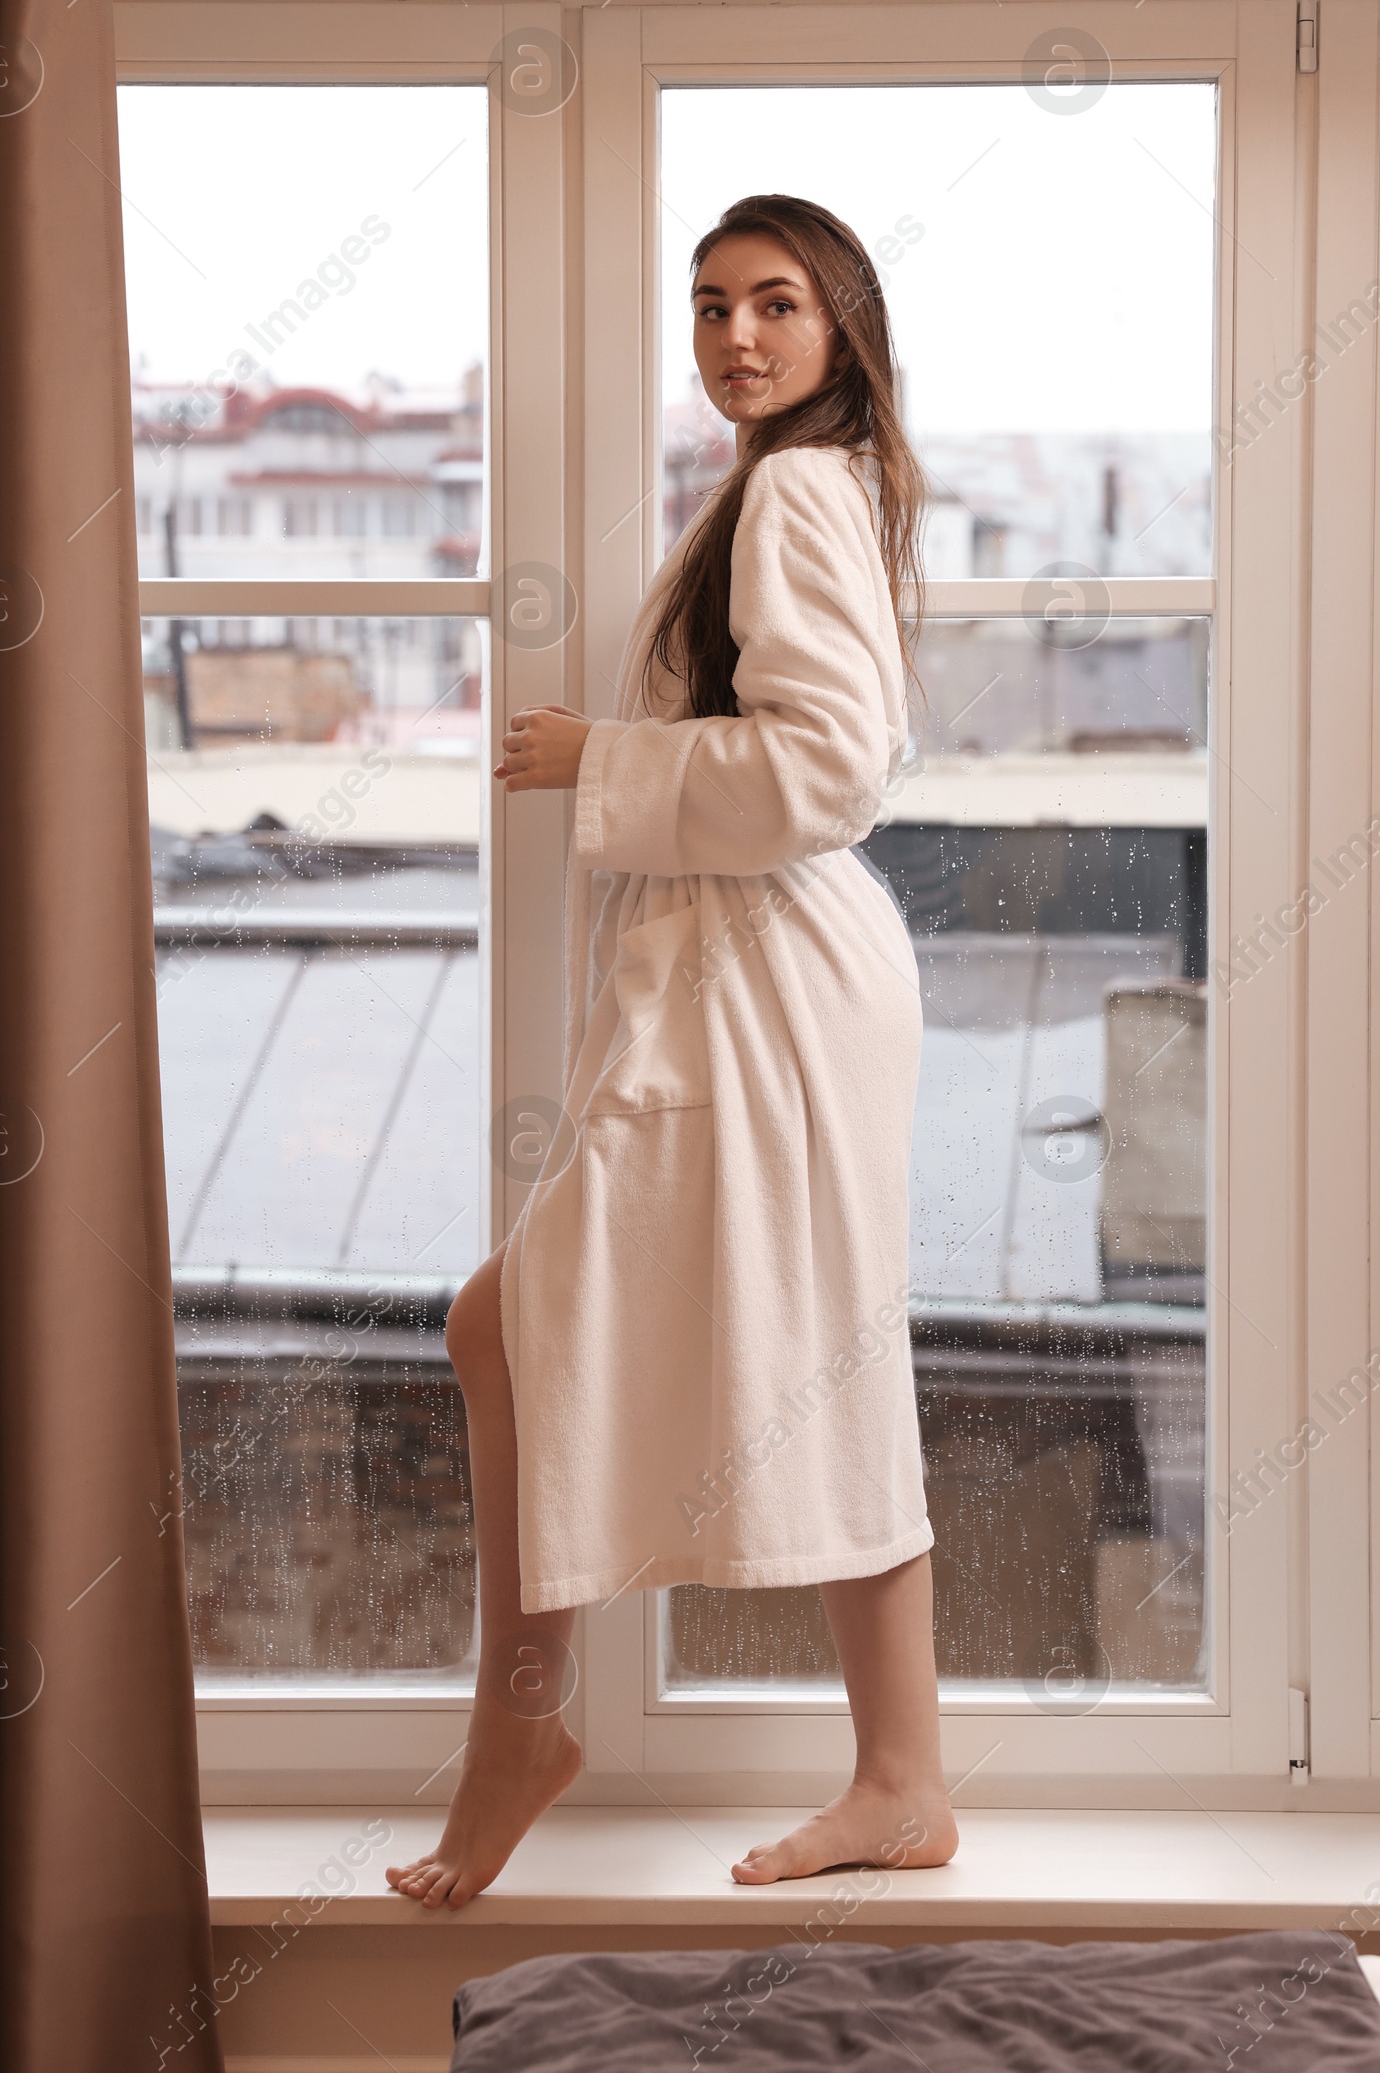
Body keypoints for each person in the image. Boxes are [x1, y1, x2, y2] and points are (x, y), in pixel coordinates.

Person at [387, 195, 956, 1910]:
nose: (734, 339)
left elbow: (831, 770)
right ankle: (899, 1777)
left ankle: (525, 1727)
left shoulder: (793, 487)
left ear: (841, 326)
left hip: (762, 980)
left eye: (775, 306)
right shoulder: (805, 484)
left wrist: (600, 758)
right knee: (799, 1345)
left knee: (518, 1319)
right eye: (709, 307)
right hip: (769, 974)